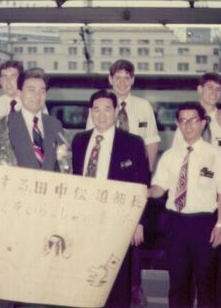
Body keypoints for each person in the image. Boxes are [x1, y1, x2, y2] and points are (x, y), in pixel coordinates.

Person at [86, 59, 159, 306]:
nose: (122, 81)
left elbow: (151, 144)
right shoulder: (97, 110)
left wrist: (142, 184)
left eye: (127, 77)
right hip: (97, 200)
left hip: (129, 189)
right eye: (117, 77)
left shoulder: (143, 107)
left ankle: (132, 296)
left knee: (126, 265)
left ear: (133, 80)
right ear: (110, 79)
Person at [0, 67, 63, 308]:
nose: (37, 96)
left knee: (38, 282)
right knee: (7, 280)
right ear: (19, 92)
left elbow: (64, 170)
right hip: (12, 215)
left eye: (42, 91)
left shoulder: (55, 125)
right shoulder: (3, 125)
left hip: (46, 216)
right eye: (31, 90)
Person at [149, 102, 221, 308]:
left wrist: (220, 225)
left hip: (204, 224)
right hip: (175, 224)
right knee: (178, 283)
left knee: (206, 283)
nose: (188, 125)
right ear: (178, 124)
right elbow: (159, 188)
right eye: (183, 121)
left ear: (203, 123)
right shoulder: (169, 156)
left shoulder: (215, 155)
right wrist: (143, 192)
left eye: (193, 120)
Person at [72, 89, 150, 308]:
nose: (102, 114)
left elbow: (142, 184)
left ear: (116, 111)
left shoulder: (133, 143)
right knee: (85, 276)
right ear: (90, 112)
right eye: (96, 109)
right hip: (84, 220)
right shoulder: (79, 141)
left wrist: (139, 221)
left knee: (117, 279)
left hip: (119, 221)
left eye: (107, 109)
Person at [172, 72, 221, 150]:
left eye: (218, 89)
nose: (214, 92)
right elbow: (176, 151)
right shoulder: (186, 119)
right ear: (200, 89)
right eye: (210, 87)